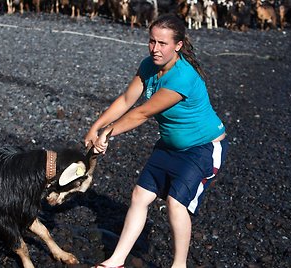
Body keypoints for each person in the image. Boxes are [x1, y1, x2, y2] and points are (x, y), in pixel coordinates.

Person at [84, 13, 229, 268]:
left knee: (175, 203)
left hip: (203, 147)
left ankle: (179, 265)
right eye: (152, 41)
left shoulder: (183, 76)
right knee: (140, 195)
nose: (155, 49)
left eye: (163, 44)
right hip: (170, 145)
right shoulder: (149, 65)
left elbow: (142, 113)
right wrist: (96, 127)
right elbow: (127, 100)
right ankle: (116, 261)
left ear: (178, 45)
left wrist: (108, 133)